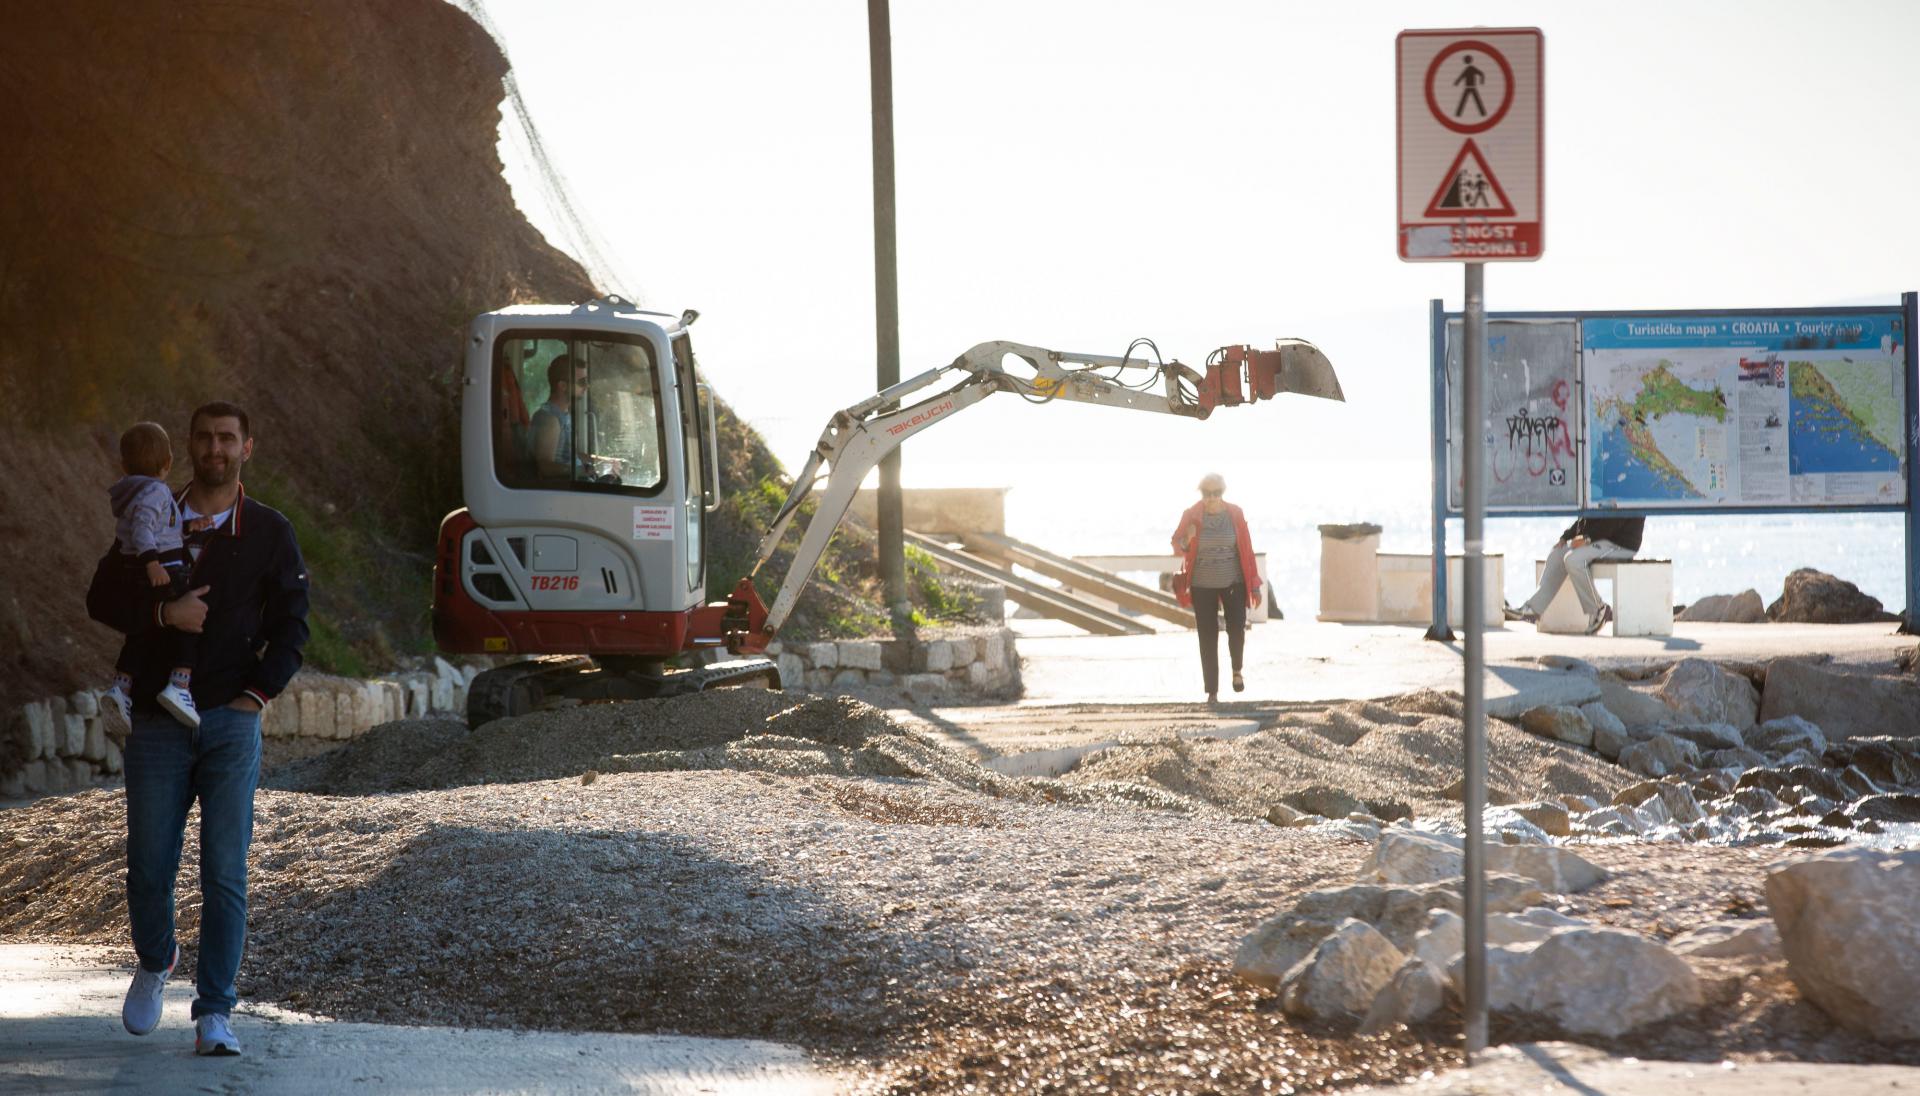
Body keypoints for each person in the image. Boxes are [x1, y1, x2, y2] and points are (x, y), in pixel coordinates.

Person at [87, 401, 309, 1057]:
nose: (215, 449)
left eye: (227, 439)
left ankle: (215, 1011)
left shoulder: (268, 530)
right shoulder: (152, 511)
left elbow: (293, 623)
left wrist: (257, 693)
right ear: (187, 447)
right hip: (157, 722)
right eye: (205, 438)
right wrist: (164, 612)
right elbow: (103, 598)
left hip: (229, 724)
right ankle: (156, 960)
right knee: (148, 870)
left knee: (224, 874)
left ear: (248, 448)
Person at [103, 422, 205, 729]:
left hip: (134, 569)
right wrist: (152, 563)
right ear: (168, 463)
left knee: (142, 632)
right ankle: (180, 684)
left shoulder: (131, 494)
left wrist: (188, 528)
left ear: (124, 464)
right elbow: (145, 529)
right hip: (163, 569)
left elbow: (160, 529)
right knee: (191, 619)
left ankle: (122, 687)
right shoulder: (156, 491)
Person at [1170, 473, 1262, 704]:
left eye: (1216, 493)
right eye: (1206, 493)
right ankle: (1212, 691)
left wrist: (1255, 585)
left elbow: (1247, 551)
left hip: (1234, 582)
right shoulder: (1191, 515)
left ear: (1223, 493)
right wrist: (1188, 540)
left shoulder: (1235, 514)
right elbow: (1177, 544)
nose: (1211, 498)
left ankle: (1237, 671)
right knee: (1208, 637)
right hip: (1202, 584)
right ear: (1200, 494)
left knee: (1237, 629)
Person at [1509, 515, 1645, 634]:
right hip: (1600, 539)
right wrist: (1566, 536)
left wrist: (1587, 539)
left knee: (1573, 559)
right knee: (1558, 553)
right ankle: (1533, 609)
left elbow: (1614, 522)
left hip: (1621, 544)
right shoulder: (1599, 491)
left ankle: (1598, 609)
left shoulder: (1622, 489)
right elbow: (1587, 519)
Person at [529, 354, 585, 479]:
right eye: (582, 382)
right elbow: (544, 467)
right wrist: (581, 471)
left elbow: (569, 456)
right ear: (563, 386)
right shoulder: (549, 419)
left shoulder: (563, 414)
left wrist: (600, 462)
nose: (586, 386)